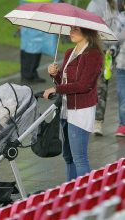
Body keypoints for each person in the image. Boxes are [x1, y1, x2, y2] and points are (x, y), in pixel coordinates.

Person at [44, 27, 103, 181]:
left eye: (75, 30)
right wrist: (55, 74)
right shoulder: (70, 52)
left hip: (81, 111)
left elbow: (84, 85)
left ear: (87, 31)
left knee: (79, 158)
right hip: (66, 110)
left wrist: (56, 88)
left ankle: (86, 197)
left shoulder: (93, 55)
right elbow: (65, 83)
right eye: (70, 29)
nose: (70, 32)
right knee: (68, 157)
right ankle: (71, 196)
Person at [87, 0, 118, 136]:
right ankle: (87, 118)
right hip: (92, 50)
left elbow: (117, 28)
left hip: (107, 53)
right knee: (88, 85)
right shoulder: (94, 5)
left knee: (102, 86)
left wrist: (112, 48)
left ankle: (98, 121)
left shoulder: (114, 4)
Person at [19, 0, 62, 84]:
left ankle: (31, 73)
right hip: (34, 7)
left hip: (41, 7)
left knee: (35, 45)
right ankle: (27, 75)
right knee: (32, 45)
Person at [113, 0, 125, 136]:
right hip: (122, 64)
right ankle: (123, 125)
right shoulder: (120, 18)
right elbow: (114, 39)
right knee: (122, 96)